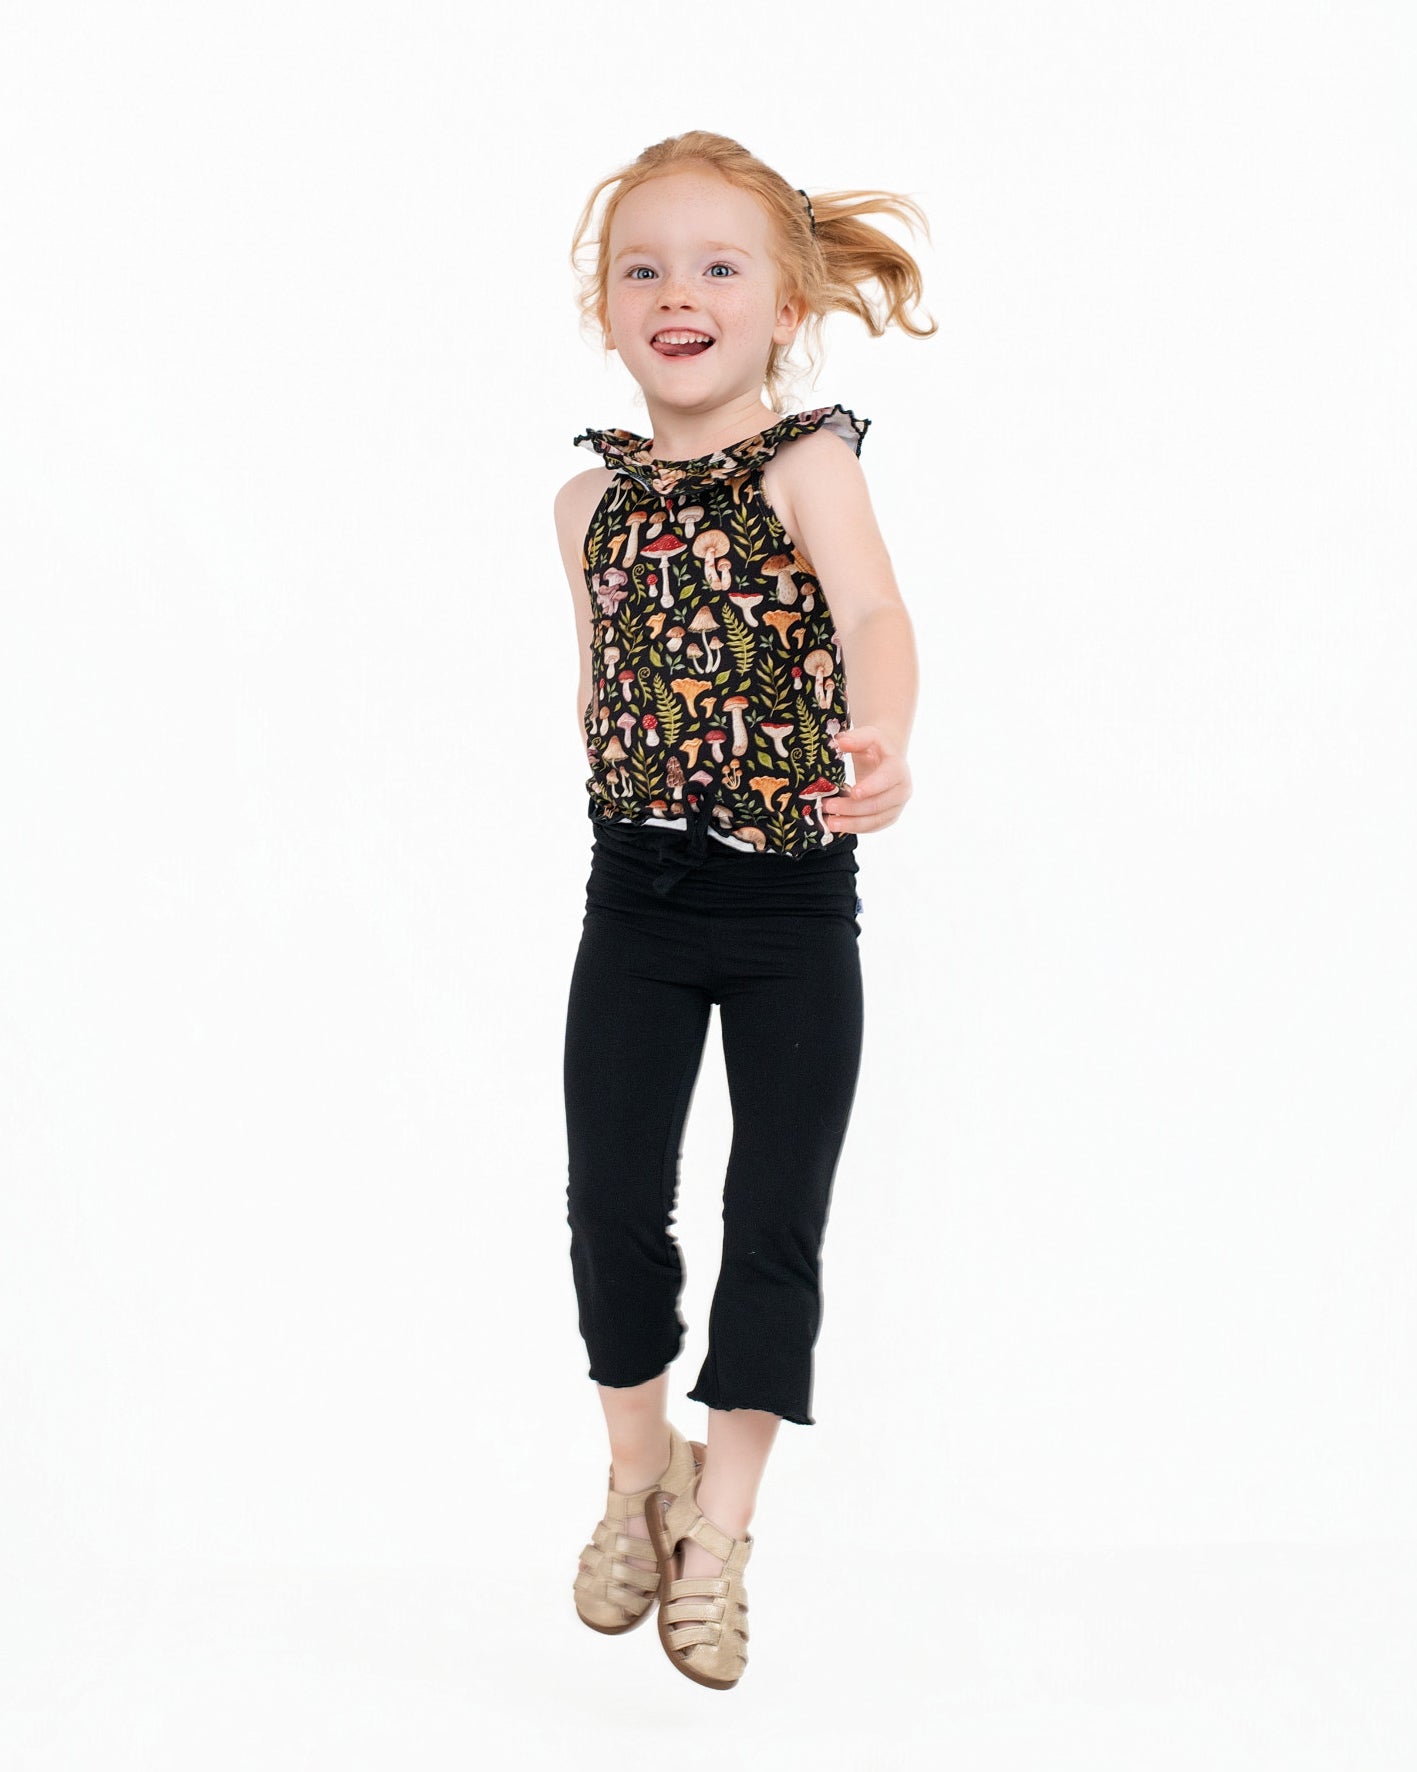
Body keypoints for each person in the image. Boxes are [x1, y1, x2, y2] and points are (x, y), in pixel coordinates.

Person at [556, 129, 931, 1691]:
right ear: (605, 308)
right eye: (643, 267)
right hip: (634, 896)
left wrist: (883, 736)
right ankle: (636, 1476)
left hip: (788, 911)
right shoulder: (582, 504)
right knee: (610, 1208)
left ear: (784, 307)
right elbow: (594, 683)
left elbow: (872, 612)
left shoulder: (806, 463)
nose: (677, 293)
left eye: (718, 266)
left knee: (770, 1222)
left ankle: (723, 1525)